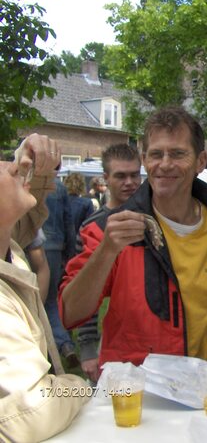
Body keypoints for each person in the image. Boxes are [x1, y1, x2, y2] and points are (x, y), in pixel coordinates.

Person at [60, 106, 207, 368]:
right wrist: (107, 250)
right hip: (141, 397)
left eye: (178, 154)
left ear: (200, 162)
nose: (165, 164)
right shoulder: (110, 230)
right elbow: (70, 313)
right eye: (156, 154)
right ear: (145, 159)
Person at [1, 134, 90, 441]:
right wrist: (77, 385)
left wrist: (35, 165)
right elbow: (33, 412)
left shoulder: (7, 245)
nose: (10, 167)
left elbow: (29, 216)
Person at [74, 143, 142, 383]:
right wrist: (89, 349)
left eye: (135, 174)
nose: (129, 182)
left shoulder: (153, 219)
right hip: (118, 343)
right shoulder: (92, 227)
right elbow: (84, 293)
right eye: (121, 176)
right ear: (105, 178)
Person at [42, 177, 77, 365]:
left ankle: (46, 350)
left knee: (35, 303)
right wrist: (70, 253)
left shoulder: (27, 181)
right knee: (51, 301)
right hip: (54, 248)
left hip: (29, 246)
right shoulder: (59, 187)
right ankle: (65, 345)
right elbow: (68, 223)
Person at [64, 172, 95, 238]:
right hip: (78, 241)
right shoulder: (86, 203)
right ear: (82, 185)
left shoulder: (61, 201)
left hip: (62, 241)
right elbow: (89, 226)